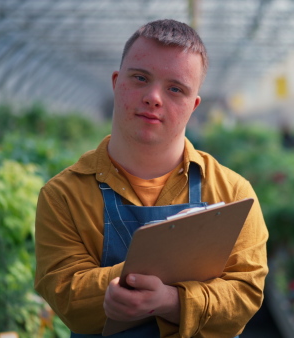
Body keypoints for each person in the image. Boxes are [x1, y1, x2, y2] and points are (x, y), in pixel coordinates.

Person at [34, 19, 269, 337]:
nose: (154, 97)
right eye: (140, 78)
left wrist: (172, 300)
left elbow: (245, 294)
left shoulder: (233, 193)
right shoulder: (63, 195)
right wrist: (153, 282)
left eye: (176, 88)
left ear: (193, 105)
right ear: (117, 82)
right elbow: (65, 294)